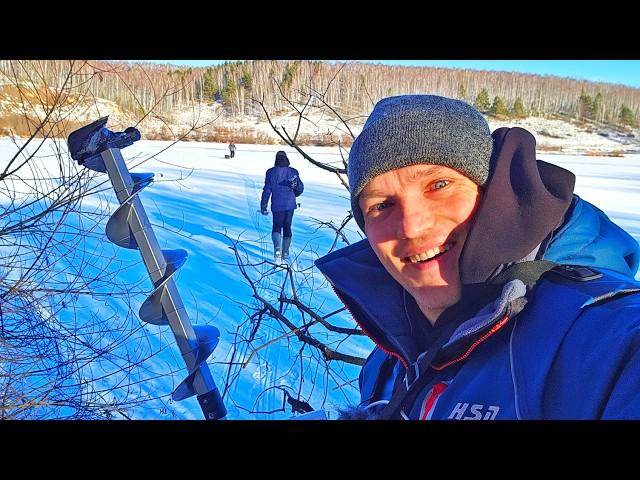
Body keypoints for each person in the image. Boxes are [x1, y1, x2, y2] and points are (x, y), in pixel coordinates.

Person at [314, 94, 640, 420]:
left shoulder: (603, 337)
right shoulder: (387, 360)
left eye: (439, 184)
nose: (411, 226)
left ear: (495, 193)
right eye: (381, 205)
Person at [261, 150, 304, 262]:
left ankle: (277, 249)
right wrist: (294, 190)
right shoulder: (293, 171)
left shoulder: (270, 172)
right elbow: (300, 189)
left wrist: (263, 205)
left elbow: (267, 190)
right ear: (286, 158)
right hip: (290, 205)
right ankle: (285, 252)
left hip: (277, 205)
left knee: (276, 227)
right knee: (287, 227)